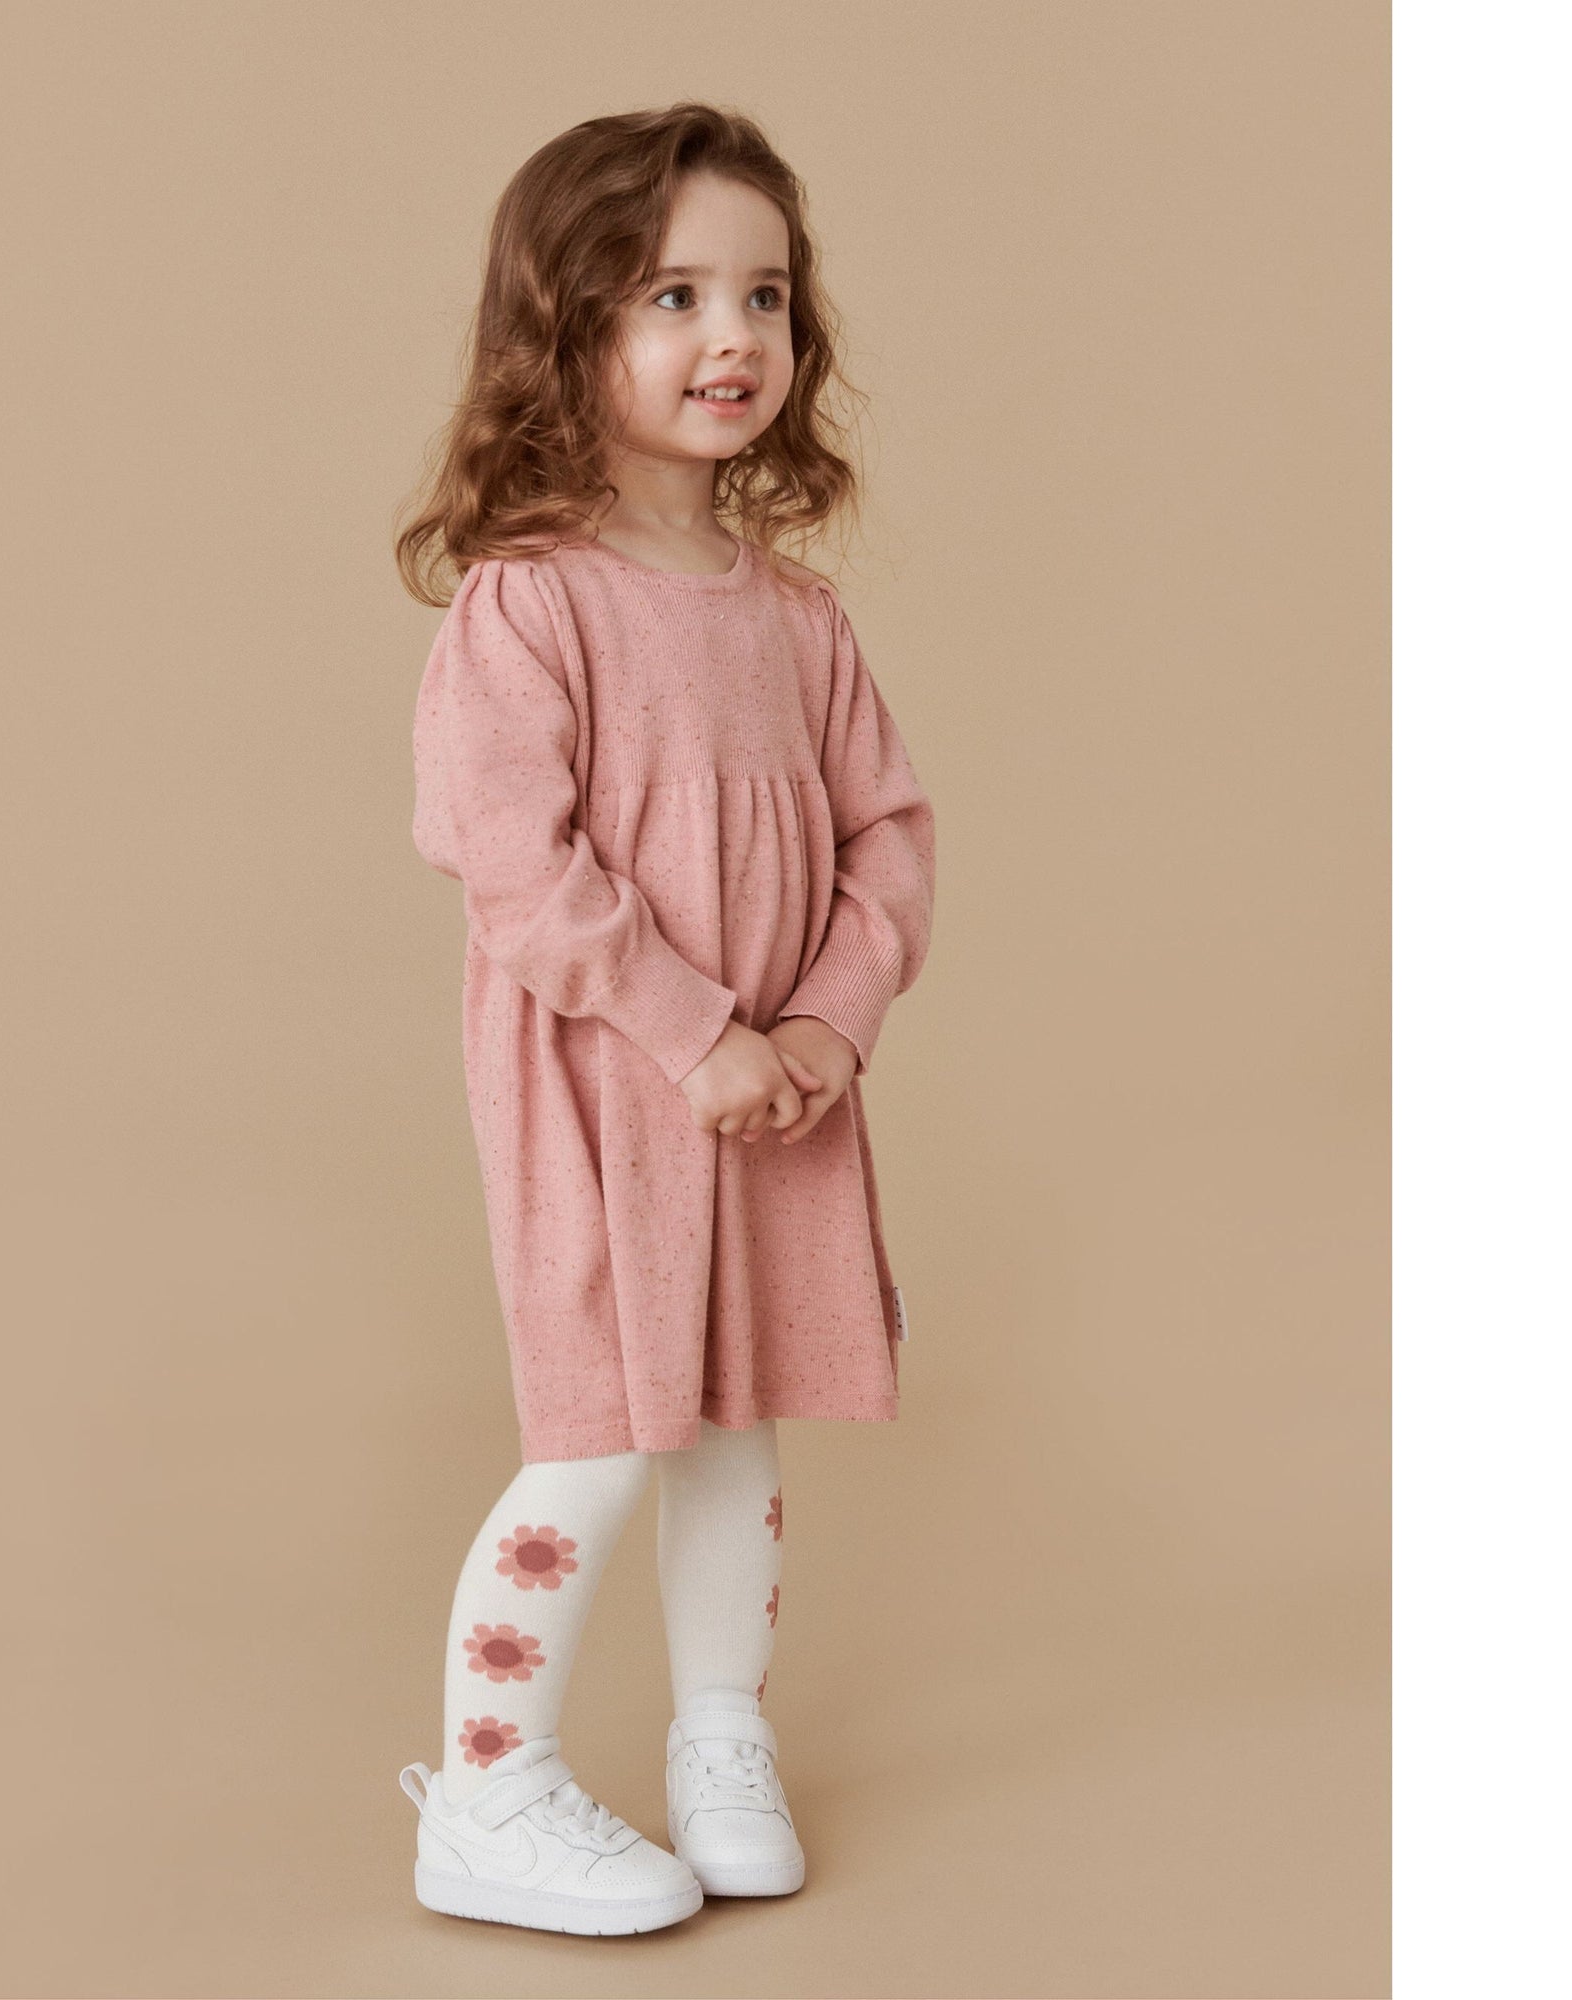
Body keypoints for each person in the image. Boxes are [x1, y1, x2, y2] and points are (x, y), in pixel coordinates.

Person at [391, 101, 936, 1936]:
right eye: (672, 295)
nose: (733, 337)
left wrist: (828, 1026)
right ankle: (488, 1788)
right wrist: (696, 1033)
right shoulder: (529, 604)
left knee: (737, 1416)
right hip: (613, 1090)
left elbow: (889, 834)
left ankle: (722, 1735)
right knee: (606, 1432)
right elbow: (512, 861)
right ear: (565, 328)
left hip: (779, 1097)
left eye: (764, 295)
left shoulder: (799, 620)